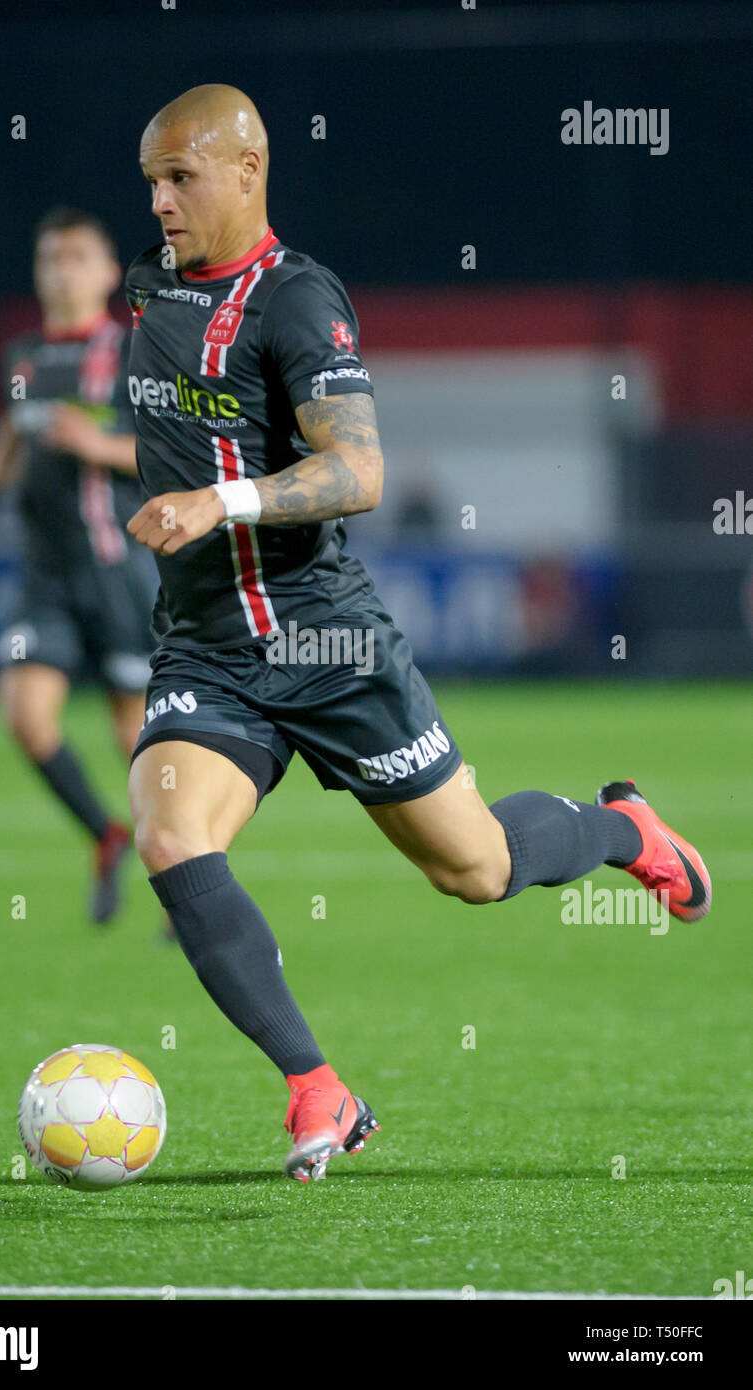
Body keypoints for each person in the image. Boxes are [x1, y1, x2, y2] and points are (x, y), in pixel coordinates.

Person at [124, 85, 712, 1183]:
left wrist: (225, 503)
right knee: (169, 836)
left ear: (247, 171)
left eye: (179, 177)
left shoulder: (298, 303)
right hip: (206, 647)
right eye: (149, 180)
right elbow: (169, 429)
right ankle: (316, 1085)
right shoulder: (148, 287)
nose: (157, 201)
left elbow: (357, 470)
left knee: (476, 870)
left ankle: (624, 831)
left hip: (325, 643)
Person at [0, 207, 158, 923]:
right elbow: (16, 437)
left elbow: (170, 457)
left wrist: (95, 446)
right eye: (48, 258)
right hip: (43, 578)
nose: (59, 270)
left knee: (134, 737)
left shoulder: (135, 354)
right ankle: (105, 835)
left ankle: (178, 866)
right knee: (26, 716)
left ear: (106, 272)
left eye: (75, 256)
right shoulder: (24, 357)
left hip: (116, 572)